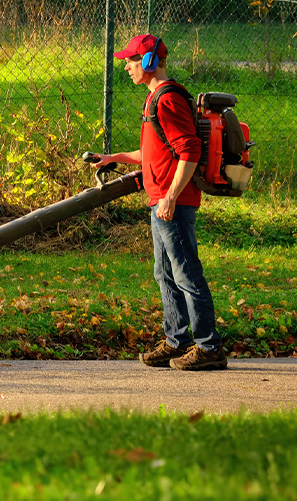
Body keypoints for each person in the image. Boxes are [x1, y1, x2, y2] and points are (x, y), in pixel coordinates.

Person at [95, 34, 227, 371]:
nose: (126, 67)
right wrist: (116, 157)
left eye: (131, 61)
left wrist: (169, 197)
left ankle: (209, 346)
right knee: (165, 273)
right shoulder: (156, 99)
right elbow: (155, 151)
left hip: (174, 202)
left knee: (186, 274)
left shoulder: (166, 100)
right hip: (162, 201)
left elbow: (189, 152)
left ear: (150, 62)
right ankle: (176, 341)